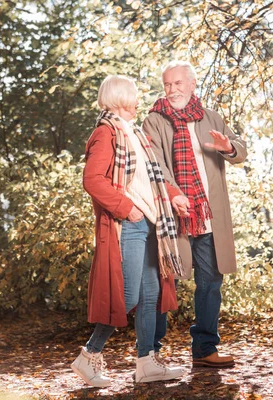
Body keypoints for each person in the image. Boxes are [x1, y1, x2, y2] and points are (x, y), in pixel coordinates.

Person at [72, 75, 189, 386]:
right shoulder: (106, 134)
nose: (139, 101)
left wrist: (173, 195)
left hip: (151, 223)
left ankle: (147, 363)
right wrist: (126, 208)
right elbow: (93, 180)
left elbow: (150, 178)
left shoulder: (134, 133)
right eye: (134, 96)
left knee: (150, 296)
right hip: (130, 224)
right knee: (125, 296)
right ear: (121, 99)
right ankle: (88, 356)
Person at [143, 61, 247, 368]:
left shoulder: (211, 117)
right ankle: (150, 353)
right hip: (172, 216)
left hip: (208, 215)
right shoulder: (154, 120)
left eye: (178, 84)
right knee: (165, 282)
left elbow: (240, 150)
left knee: (211, 281)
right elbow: (155, 164)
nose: (172, 90)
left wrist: (228, 146)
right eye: (167, 85)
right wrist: (174, 192)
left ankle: (204, 349)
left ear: (192, 85)